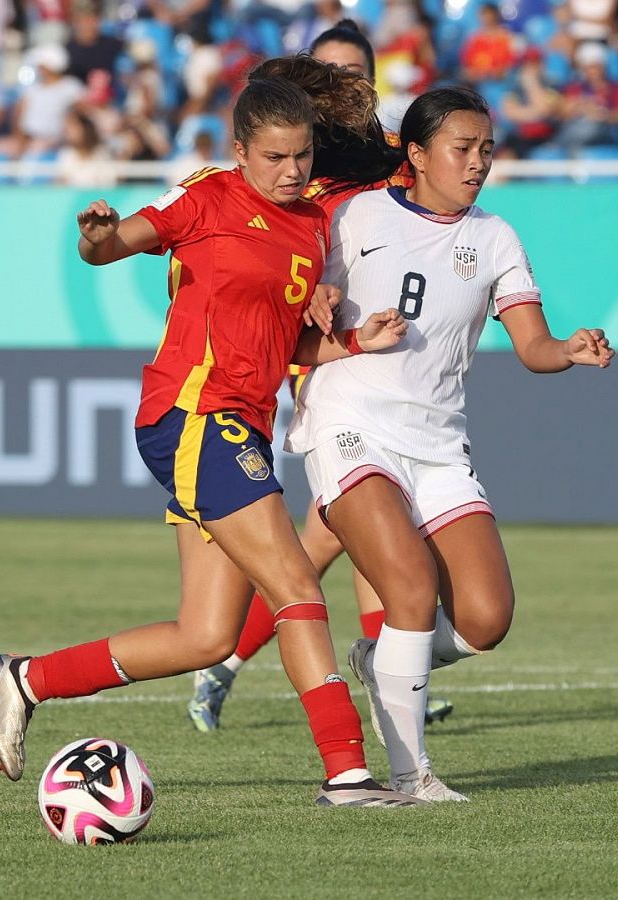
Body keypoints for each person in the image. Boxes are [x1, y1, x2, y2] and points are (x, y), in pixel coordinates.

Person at [0, 73, 420, 808]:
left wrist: (352, 343)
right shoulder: (210, 197)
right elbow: (111, 246)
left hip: (242, 424)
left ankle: (25, 679)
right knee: (295, 585)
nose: (292, 171)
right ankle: (347, 770)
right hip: (192, 415)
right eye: (276, 157)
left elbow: (284, 344)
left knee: (207, 636)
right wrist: (94, 235)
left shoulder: (311, 228)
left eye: (303, 156)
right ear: (241, 151)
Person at [286, 86, 615, 801]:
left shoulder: (495, 237)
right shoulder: (354, 214)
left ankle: (384, 664)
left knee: (486, 619)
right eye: (463, 150)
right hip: (352, 420)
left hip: (437, 440)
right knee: (409, 588)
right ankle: (412, 777)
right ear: (416, 154)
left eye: (487, 152)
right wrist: (318, 305)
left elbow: (532, 345)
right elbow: (295, 308)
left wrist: (571, 348)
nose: (477, 165)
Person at [186, 45, 454, 732]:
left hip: (396, 357)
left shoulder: (386, 163)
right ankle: (369, 665)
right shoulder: (284, 185)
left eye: (346, 75)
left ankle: (244, 662)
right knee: (333, 544)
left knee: (338, 541)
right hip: (345, 362)